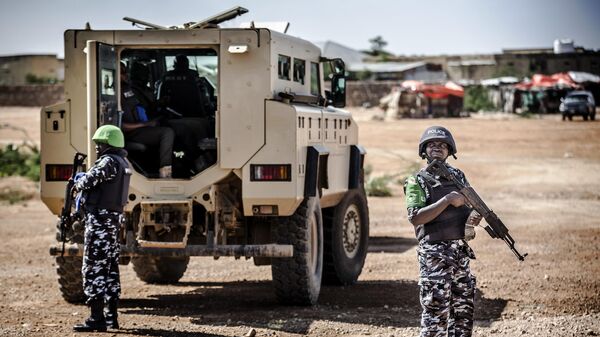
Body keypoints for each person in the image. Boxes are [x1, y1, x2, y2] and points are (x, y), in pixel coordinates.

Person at [403, 126, 482, 337]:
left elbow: (468, 206)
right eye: (432, 144)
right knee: (436, 313)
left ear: (450, 151)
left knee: (464, 311)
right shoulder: (416, 180)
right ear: (424, 150)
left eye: (442, 145)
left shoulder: (458, 176)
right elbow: (416, 217)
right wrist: (446, 200)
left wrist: (472, 218)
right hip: (434, 255)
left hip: (459, 253)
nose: (437, 148)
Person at [72, 125, 131, 332]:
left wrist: (77, 184)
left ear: (109, 144)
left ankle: (96, 319)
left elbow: (89, 180)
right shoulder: (123, 162)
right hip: (113, 222)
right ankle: (110, 317)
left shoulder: (108, 162)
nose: (97, 148)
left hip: (100, 223)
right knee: (110, 270)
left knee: (94, 268)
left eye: (100, 144)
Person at [160, 55, 214, 172]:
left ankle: (202, 158)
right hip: (176, 118)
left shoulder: (167, 78)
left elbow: (161, 99)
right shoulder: (195, 77)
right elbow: (205, 99)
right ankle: (200, 158)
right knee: (201, 126)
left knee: (202, 125)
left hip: (181, 116)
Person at [121, 62, 175, 178]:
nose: (126, 75)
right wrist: (144, 124)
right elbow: (121, 126)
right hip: (130, 133)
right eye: (122, 73)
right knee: (167, 133)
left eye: (126, 72)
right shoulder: (115, 95)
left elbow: (141, 108)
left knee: (168, 124)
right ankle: (165, 172)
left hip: (140, 127)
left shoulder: (128, 90)